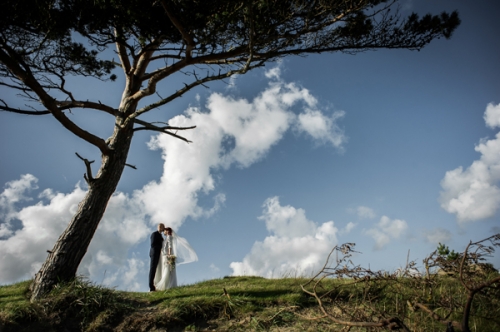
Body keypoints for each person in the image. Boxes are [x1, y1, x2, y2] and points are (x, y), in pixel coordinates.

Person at [149, 223, 165, 292]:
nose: (163, 229)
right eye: (163, 227)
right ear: (160, 227)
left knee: (156, 269)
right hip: (154, 253)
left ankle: (155, 284)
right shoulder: (154, 234)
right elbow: (153, 244)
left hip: (159, 254)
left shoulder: (161, 236)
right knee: (152, 269)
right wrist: (160, 248)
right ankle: (151, 287)